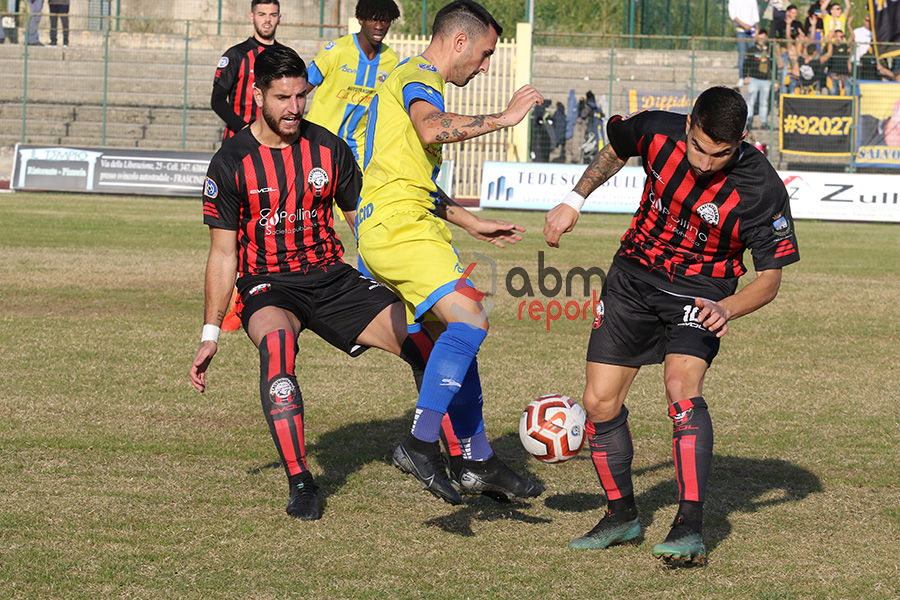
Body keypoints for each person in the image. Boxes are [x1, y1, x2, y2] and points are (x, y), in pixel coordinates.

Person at [544, 86, 800, 567]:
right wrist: (573, 200)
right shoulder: (658, 129)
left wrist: (728, 308)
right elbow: (617, 146)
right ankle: (621, 517)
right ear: (688, 125)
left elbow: (770, 279)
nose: (705, 162)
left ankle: (689, 525)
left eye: (721, 153)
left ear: (742, 140)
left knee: (681, 385)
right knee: (599, 401)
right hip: (633, 276)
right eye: (699, 147)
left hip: (700, 290)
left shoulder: (760, 187)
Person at [190, 46, 436, 521]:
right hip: (269, 286)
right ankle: (301, 479)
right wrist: (210, 333)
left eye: (301, 96)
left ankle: (442, 451)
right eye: (283, 97)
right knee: (277, 351)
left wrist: (405, 281)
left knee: (426, 342)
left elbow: (365, 225)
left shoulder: (326, 147)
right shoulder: (231, 161)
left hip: (332, 278)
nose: (294, 108)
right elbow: (223, 255)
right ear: (258, 94)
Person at [357, 0, 545, 506]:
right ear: (458, 41)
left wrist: (472, 222)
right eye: (483, 55)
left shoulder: (408, 77)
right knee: (472, 320)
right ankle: (419, 445)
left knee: (452, 338)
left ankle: (476, 459)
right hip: (398, 228)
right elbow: (430, 127)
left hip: (406, 222)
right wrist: (505, 118)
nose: (484, 66)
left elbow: (411, 174)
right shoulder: (418, 75)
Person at [306, 0, 401, 163]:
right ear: (360, 19)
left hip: (357, 152)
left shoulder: (391, 61)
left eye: (384, 21)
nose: (379, 26)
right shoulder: (336, 51)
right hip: (318, 144)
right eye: (373, 19)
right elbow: (299, 88)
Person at [211, 0, 283, 141]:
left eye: (272, 15)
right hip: (239, 139)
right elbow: (217, 100)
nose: (267, 20)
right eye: (261, 14)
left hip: (275, 140)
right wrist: (245, 130)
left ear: (279, 18)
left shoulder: (285, 55)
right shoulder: (236, 54)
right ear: (252, 17)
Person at [743, 30, 774, 129]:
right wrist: (745, 76)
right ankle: (749, 120)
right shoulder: (752, 49)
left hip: (766, 80)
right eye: (759, 37)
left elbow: (774, 65)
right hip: (754, 78)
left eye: (763, 37)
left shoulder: (770, 50)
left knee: (764, 102)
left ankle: (764, 122)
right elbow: (746, 63)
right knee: (751, 100)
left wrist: (775, 80)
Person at [728, 0, 760, 83]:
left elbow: (755, 14)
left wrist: (757, 29)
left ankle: (752, 76)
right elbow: (733, 16)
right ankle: (741, 77)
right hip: (740, 31)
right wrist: (744, 25)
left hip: (752, 31)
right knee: (742, 54)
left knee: (753, 54)